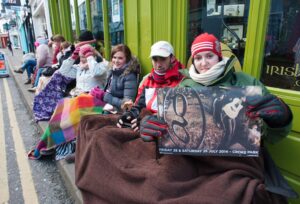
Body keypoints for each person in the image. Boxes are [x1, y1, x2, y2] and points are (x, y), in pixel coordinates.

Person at [75, 34, 296, 203]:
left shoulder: (246, 83)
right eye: (198, 58)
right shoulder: (184, 85)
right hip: (190, 155)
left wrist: (281, 117)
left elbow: (271, 132)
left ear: (219, 56)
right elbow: (168, 123)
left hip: (233, 156)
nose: (203, 63)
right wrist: (148, 125)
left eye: (209, 56)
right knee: (156, 181)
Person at [75, 41, 185, 203]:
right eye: (155, 59)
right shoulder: (147, 80)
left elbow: (180, 115)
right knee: (91, 126)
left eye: (162, 59)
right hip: (140, 122)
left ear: (172, 58)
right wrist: (131, 116)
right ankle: (85, 157)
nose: (158, 64)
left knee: (124, 150)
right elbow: (138, 104)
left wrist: (144, 119)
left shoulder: (182, 81)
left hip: (161, 131)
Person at [28, 44, 140, 160]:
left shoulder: (128, 75)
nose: (116, 61)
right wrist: (73, 56)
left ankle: (65, 145)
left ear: (127, 58)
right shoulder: (113, 70)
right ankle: (51, 142)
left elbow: (126, 105)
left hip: (116, 111)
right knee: (65, 105)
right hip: (104, 103)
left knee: (77, 110)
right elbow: (63, 71)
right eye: (114, 57)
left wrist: (103, 95)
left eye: (120, 58)